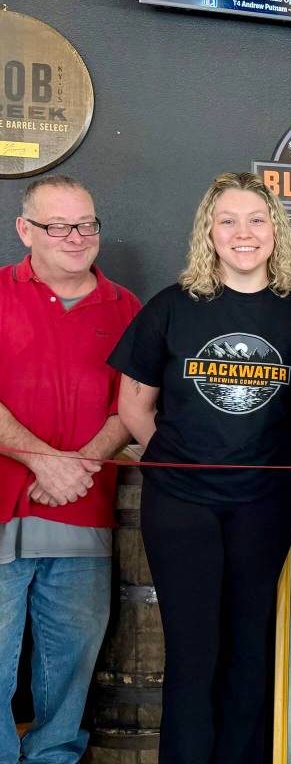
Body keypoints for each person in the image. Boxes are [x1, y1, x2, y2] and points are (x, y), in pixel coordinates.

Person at [109, 172, 291, 764]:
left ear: (276, 231)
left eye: (256, 219)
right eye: (228, 220)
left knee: (251, 649)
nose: (242, 233)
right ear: (209, 232)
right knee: (193, 653)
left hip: (265, 505)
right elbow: (132, 406)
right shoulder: (171, 307)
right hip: (182, 507)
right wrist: (178, 461)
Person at [0, 176, 141, 764]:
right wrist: (40, 459)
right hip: (5, 506)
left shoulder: (127, 306)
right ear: (25, 230)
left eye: (86, 224)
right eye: (58, 226)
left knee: (71, 662)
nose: (76, 237)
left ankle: (54, 757)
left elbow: (133, 405)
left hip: (85, 511)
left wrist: (81, 465)